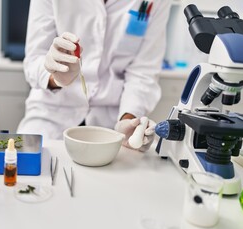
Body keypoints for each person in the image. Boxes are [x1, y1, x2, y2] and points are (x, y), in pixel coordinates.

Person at [17, 0, 171, 152]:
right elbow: (33, 61)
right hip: (51, 114)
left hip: (112, 121)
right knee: (29, 169)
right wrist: (57, 77)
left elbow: (143, 73)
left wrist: (128, 121)